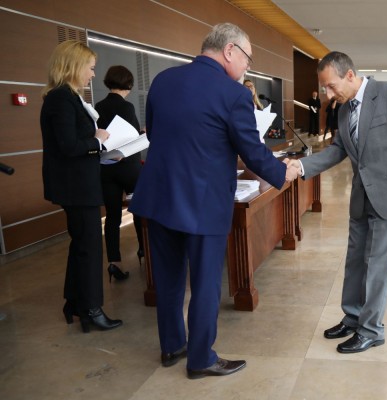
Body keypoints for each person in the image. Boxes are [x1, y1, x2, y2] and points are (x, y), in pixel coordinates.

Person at [128, 23, 298, 379]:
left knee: (168, 278)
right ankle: (201, 357)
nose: (247, 69)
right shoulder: (232, 94)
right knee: (205, 282)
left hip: (158, 197)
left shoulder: (163, 81)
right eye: (248, 60)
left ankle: (172, 345)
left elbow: (156, 134)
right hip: (202, 203)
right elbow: (252, 153)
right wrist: (284, 172)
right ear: (230, 50)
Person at [285, 51, 387, 354]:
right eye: (324, 87)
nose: (327, 93)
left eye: (331, 85)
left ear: (350, 75)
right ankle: (353, 317)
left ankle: (372, 329)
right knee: (355, 260)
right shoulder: (345, 109)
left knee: (377, 265)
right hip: (361, 196)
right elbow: (338, 149)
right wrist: (301, 166)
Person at [40, 40, 122, 333]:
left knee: (81, 245)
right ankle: (91, 309)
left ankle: (74, 302)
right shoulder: (61, 99)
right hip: (75, 186)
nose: (91, 75)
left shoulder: (68, 97)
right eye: (89, 68)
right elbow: (68, 145)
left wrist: (102, 147)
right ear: (74, 66)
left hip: (78, 184)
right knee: (89, 248)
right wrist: (98, 141)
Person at [95, 66, 144, 283]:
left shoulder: (98, 106)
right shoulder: (126, 106)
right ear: (129, 84)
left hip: (106, 168)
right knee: (139, 211)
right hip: (129, 167)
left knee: (113, 217)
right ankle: (144, 251)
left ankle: (113, 263)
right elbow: (132, 137)